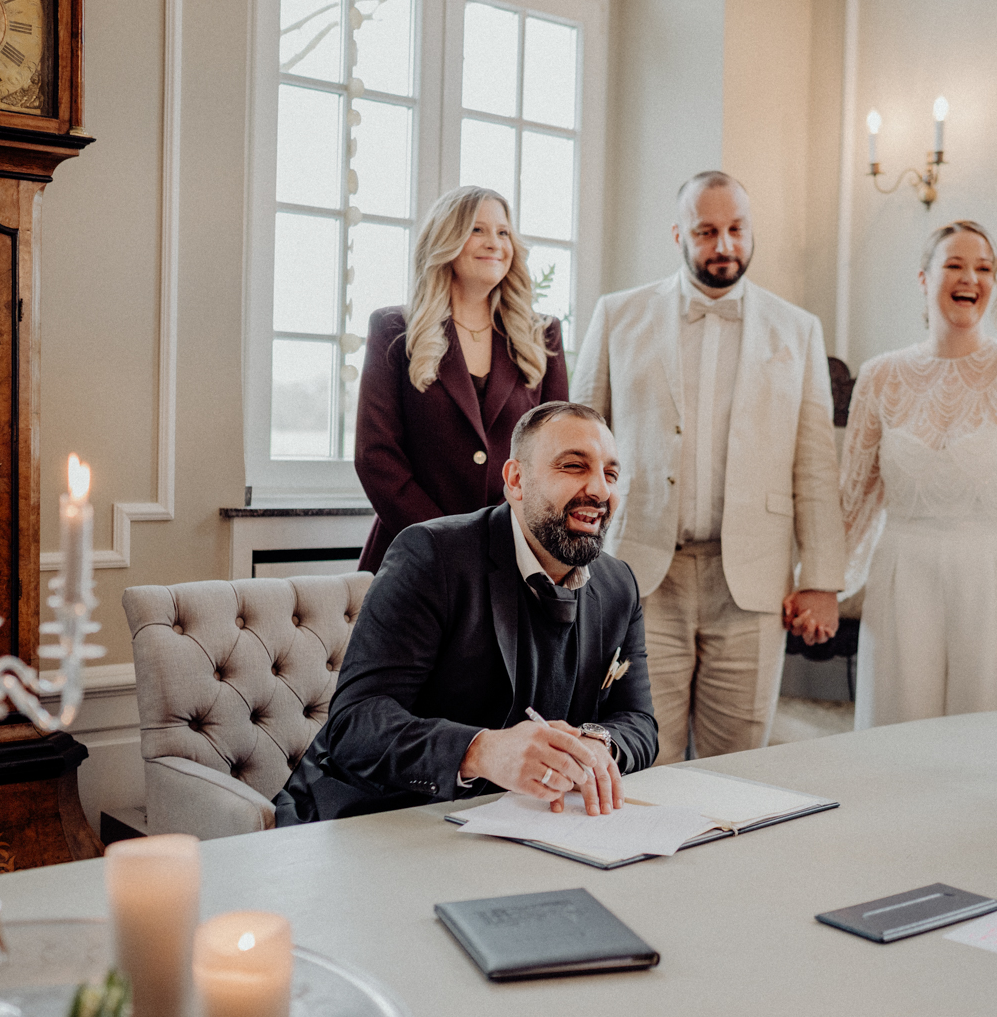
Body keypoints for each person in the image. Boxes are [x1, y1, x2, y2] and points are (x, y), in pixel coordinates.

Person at [570, 171, 845, 765]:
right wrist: (572, 558)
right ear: (678, 235)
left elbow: (817, 465)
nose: (724, 245)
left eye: (736, 229)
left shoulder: (798, 329)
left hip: (750, 579)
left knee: (742, 763)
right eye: (707, 231)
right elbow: (578, 451)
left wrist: (821, 579)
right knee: (641, 758)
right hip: (641, 576)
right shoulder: (619, 316)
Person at [275, 401, 657, 823]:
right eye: (573, 466)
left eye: (611, 474)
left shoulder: (620, 584)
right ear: (516, 481)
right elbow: (357, 724)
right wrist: (481, 751)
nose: (600, 491)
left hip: (529, 823)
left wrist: (597, 744)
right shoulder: (431, 555)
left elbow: (639, 721)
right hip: (382, 817)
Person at [840, 220, 997, 728]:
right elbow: (853, 496)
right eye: (954, 265)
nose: (969, 278)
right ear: (923, 278)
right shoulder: (880, 376)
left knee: (988, 738)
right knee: (898, 738)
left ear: (995, 283)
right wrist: (823, 584)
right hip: (903, 579)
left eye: (984, 268)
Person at [354, 185, 569, 573]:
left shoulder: (544, 334)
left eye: (503, 232)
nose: (495, 243)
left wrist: (509, 543)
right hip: (414, 556)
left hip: (512, 561)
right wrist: (446, 543)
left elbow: (554, 457)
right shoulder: (393, 329)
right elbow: (376, 457)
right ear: (445, 239)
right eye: (477, 230)